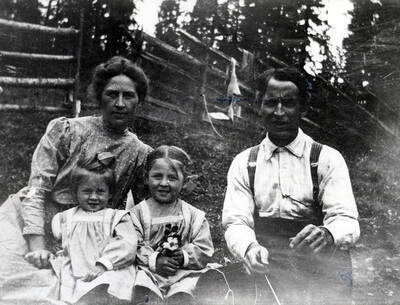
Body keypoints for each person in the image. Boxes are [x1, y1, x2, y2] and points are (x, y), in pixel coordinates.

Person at [0, 56, 151, 303]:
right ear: (99, 96)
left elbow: (143, 214)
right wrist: (36, 245)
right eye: (112, 94)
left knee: (93, 287)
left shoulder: (140, 153)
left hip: (89, 232)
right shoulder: (67, 131)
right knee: (19, 280)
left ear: (139, 101)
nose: (120, 103)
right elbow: (36, 191)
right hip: (30, 221)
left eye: (129, 96)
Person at [219, 67, 360, 305]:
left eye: (289, 103)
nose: (279, 112)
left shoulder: (327, 159)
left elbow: (347, 220)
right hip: (267, 266)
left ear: (302, 108)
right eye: (271, 102)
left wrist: (328, 234)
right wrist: (249, 248)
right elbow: (235, 222)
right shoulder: (245, 163)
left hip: (321, 269)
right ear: (259, 105)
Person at [131, 145, 214, 305]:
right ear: (146, 178)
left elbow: (203, 247)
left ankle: (179, 298)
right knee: (138, 283)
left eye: (172, 178)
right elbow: (133, 244)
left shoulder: (194, 216)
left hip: (182, 273)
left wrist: (184, 257)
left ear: (185, 181)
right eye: (157, 176)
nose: (164, 183)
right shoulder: (137, 214)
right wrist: (154, 259)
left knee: (193, 286)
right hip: (149, 272)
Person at [50, 157, 136, 304]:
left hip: (108, 270)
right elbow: (61, 246)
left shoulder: (116, 217)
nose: (94, 197)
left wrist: (104, 264)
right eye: (87, 191)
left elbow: (127, 244)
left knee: (110, 287)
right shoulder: (66, 218)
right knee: (60, 287)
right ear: (75, 192)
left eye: (100, 191)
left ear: (110, 193)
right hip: (76, 273)